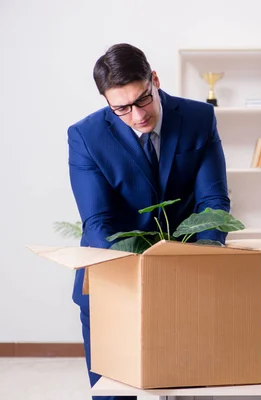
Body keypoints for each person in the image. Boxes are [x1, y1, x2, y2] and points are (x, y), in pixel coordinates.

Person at [67, 43, 230, 400]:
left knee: (190, 387)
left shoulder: (199, 119)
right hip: (114, 278)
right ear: (107, 103)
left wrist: (201, 259)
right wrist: (142, 272)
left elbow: (212, 202)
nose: (137, 116)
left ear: (154, 80)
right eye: (121, 108)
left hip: (186, 275)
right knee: (114, 393)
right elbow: (97, 221)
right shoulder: (85, 137)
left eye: (142, 100)